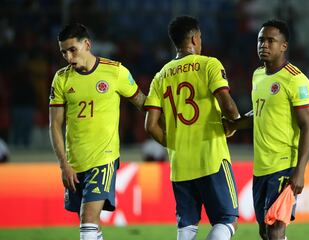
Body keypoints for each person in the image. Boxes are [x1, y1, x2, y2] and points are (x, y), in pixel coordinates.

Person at [144, 16, 241, 240]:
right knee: (227, 220)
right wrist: (235, 123)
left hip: (180, 164)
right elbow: (227, 105)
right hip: (211, 158)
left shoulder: (160, 77)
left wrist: (175, 143)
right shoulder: (209, 64)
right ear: (196, 38)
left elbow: (150, 126)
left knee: (186, 226)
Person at [49, 23, 146, 240]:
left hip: (104, 159)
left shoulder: (115, 72)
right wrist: (64, 164)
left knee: (88, 220)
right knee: (90, 227)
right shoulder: (61, 79)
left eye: (73, 49)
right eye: (64, 52)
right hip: (74, 164)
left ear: (87, 44)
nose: (68, 57)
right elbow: (55, 125)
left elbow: (143, 103)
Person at [250, 20, 309, 240]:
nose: (264, 45)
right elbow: (259, 113)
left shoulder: (296, 80)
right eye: (260, 40)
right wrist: (234, 123)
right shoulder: (258, 75)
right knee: (265, 231)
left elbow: (308, 127)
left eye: (270, 41)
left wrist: (300, 170)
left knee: (276, 228)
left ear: (284, 46)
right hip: (261, 167)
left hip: (284, 165)